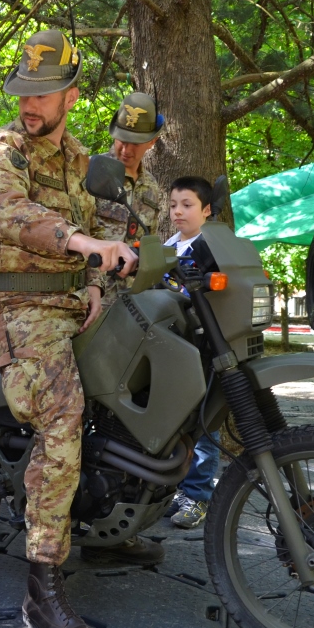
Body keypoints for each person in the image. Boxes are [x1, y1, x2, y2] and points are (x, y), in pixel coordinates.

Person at [0, 30, 138, 628]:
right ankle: (41, 585)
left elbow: (100, 225)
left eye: (44, 95)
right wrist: (82, 245)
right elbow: (5, 213)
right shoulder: (4, 150)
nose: (30, 104)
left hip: (72, 299)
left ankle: (121, 514)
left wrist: (98, 272)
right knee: (63, 416)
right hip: (20, 303)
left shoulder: (77, 157)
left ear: (69, 95)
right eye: (25, 92)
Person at [162, 176, 221, 531]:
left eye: (187, 205)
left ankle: (197, 496)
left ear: (207, 210)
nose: (178, 212)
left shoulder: (212, 248)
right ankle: (172, 489)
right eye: (173, 205)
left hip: (203, 349)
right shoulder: (167, 246)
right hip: (171, 347)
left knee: (204, 424)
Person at [95, 93, 167, 309]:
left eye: (136, 143)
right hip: (93, 299)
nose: (126, 151)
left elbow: (149, 242)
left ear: (152, 141)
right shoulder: (94, 173)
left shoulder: (152, 187)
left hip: (133, 303)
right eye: (122, 141)